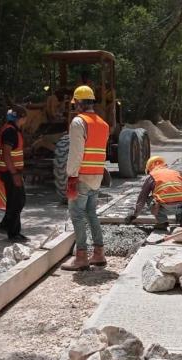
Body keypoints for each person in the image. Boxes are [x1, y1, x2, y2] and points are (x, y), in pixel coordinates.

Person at [62, 85, 109, 271]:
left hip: (81, 175)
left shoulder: (78, 122)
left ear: (79, 103)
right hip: (96, 175)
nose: (75, 108)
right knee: (91, 213)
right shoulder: (103, 124)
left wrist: (71, 175)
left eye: (75, 104)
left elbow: (76, 153)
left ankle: (81, 256)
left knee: (77, 215)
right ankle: (99, 253)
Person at [125, 156, 182, 230]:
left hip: (165, 208)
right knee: (180, 196)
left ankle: (162, 222)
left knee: (149, 198)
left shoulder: (152, 176)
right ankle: (181, 220)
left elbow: (142, 199)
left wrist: (134, 215)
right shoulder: (176, 173)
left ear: (150, 168)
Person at [0, 105, 29, 243]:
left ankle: (13, 231)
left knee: (15, 201)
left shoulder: (11, 129)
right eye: (25, 117)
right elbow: (7, 154)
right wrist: (14, 174)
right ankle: (7, 227)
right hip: (10, 172)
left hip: (10, 171)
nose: (26, 120)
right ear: (20, 118)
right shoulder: (10, 132)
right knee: (18, 201)